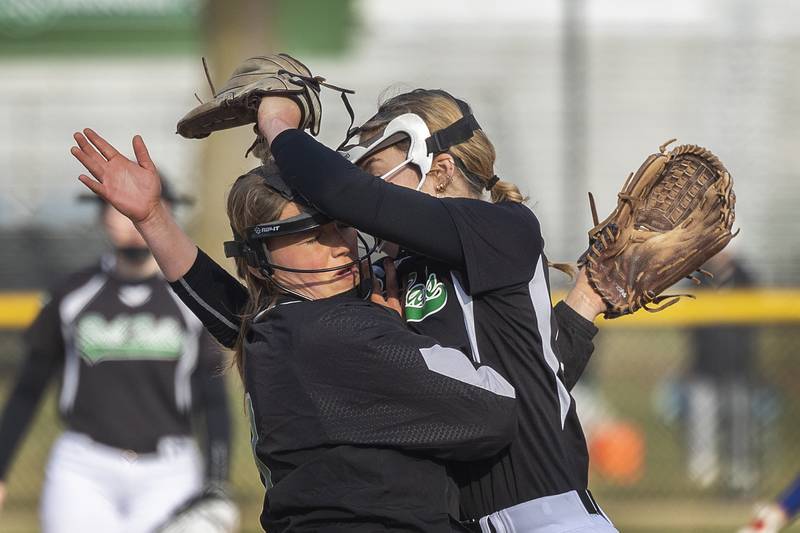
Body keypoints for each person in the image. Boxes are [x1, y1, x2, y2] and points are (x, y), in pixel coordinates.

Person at [113, 85, 610, 532]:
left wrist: (278, 122)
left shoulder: (502, 226)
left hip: (545, 513)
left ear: (438, 170)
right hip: (466, 520)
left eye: (376, 176)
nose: (361, 213)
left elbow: (343, 196)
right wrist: (154, 221)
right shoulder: (397, 272)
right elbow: (263, 322)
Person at [70, 133, 519, 531]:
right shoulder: (344, 332)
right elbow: (495, 413)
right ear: (259, 258)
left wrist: (153, 219)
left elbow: (226, 306)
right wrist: (397, 327)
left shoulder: (274, 327)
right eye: (311, 236)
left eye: (342, 224)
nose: (339, 247)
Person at [0, 183, 233, 533]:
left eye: (148, 208)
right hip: (84, 468)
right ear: (102, 216)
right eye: (120, 210)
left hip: (169, 470)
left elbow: (214, 400)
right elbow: (27, 390)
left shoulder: (191, 300)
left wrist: (217, 482)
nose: (132, 220)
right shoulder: (72, 295)